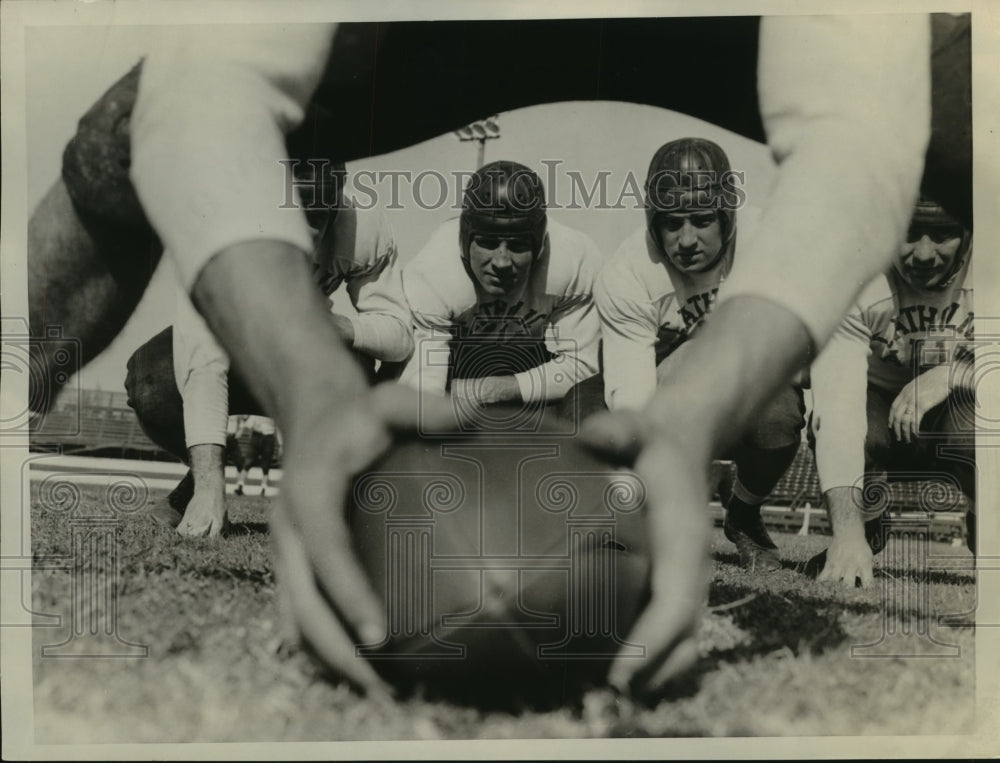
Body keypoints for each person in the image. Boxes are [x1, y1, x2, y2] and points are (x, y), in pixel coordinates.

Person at [28, 15, 959, 698]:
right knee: (123, 142)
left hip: (726, 28)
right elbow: (194, 101)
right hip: (425, 33)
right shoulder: (448, 268)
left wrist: (684, 424)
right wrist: (315, 397)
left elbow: (863, 136)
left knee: (952, 117)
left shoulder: (589, 266)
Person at [124, 188, 413, 536]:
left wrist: (339, 327)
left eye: (316, 213)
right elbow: (203, 359)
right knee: (151, 378)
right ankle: (199, 476)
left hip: (305, 353)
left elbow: (400, 334)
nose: (303, 232)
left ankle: (331, 490)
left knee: (360, 368)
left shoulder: (363, 223)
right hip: (231, 341)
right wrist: (208, 485)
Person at [592, 138, 804, 572]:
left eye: (703, 220)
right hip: (662, 390)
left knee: (780, 414)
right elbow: (634, 400)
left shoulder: (770, 245)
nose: (687, 240)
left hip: (748, 379)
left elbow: (804, 361)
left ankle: (742, 512)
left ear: (727, 217)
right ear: (653, 223)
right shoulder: (628, 271)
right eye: (672, 224)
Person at [808, 198, 974, 587]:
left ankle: (986, 527)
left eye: (945, 234)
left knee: (978, 421)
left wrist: (951, 374)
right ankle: (863, 523)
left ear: (969, 232)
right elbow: (837, 404)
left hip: (955, 409)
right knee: (839, 422)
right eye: (910, 232)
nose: (924, 254)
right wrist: (845, 536)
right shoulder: (854, 274)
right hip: (877, 408)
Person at [399, 161, 601, 410]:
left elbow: (584, 365)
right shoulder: (434, 270)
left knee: (587, 401)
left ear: (539, 246)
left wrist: (492, 390)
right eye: (487, 243)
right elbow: (424, 385)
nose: (502, 262)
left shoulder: (572, 259)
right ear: (464, 241)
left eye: (517, 246)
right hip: (453, 361)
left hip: (526, 358)